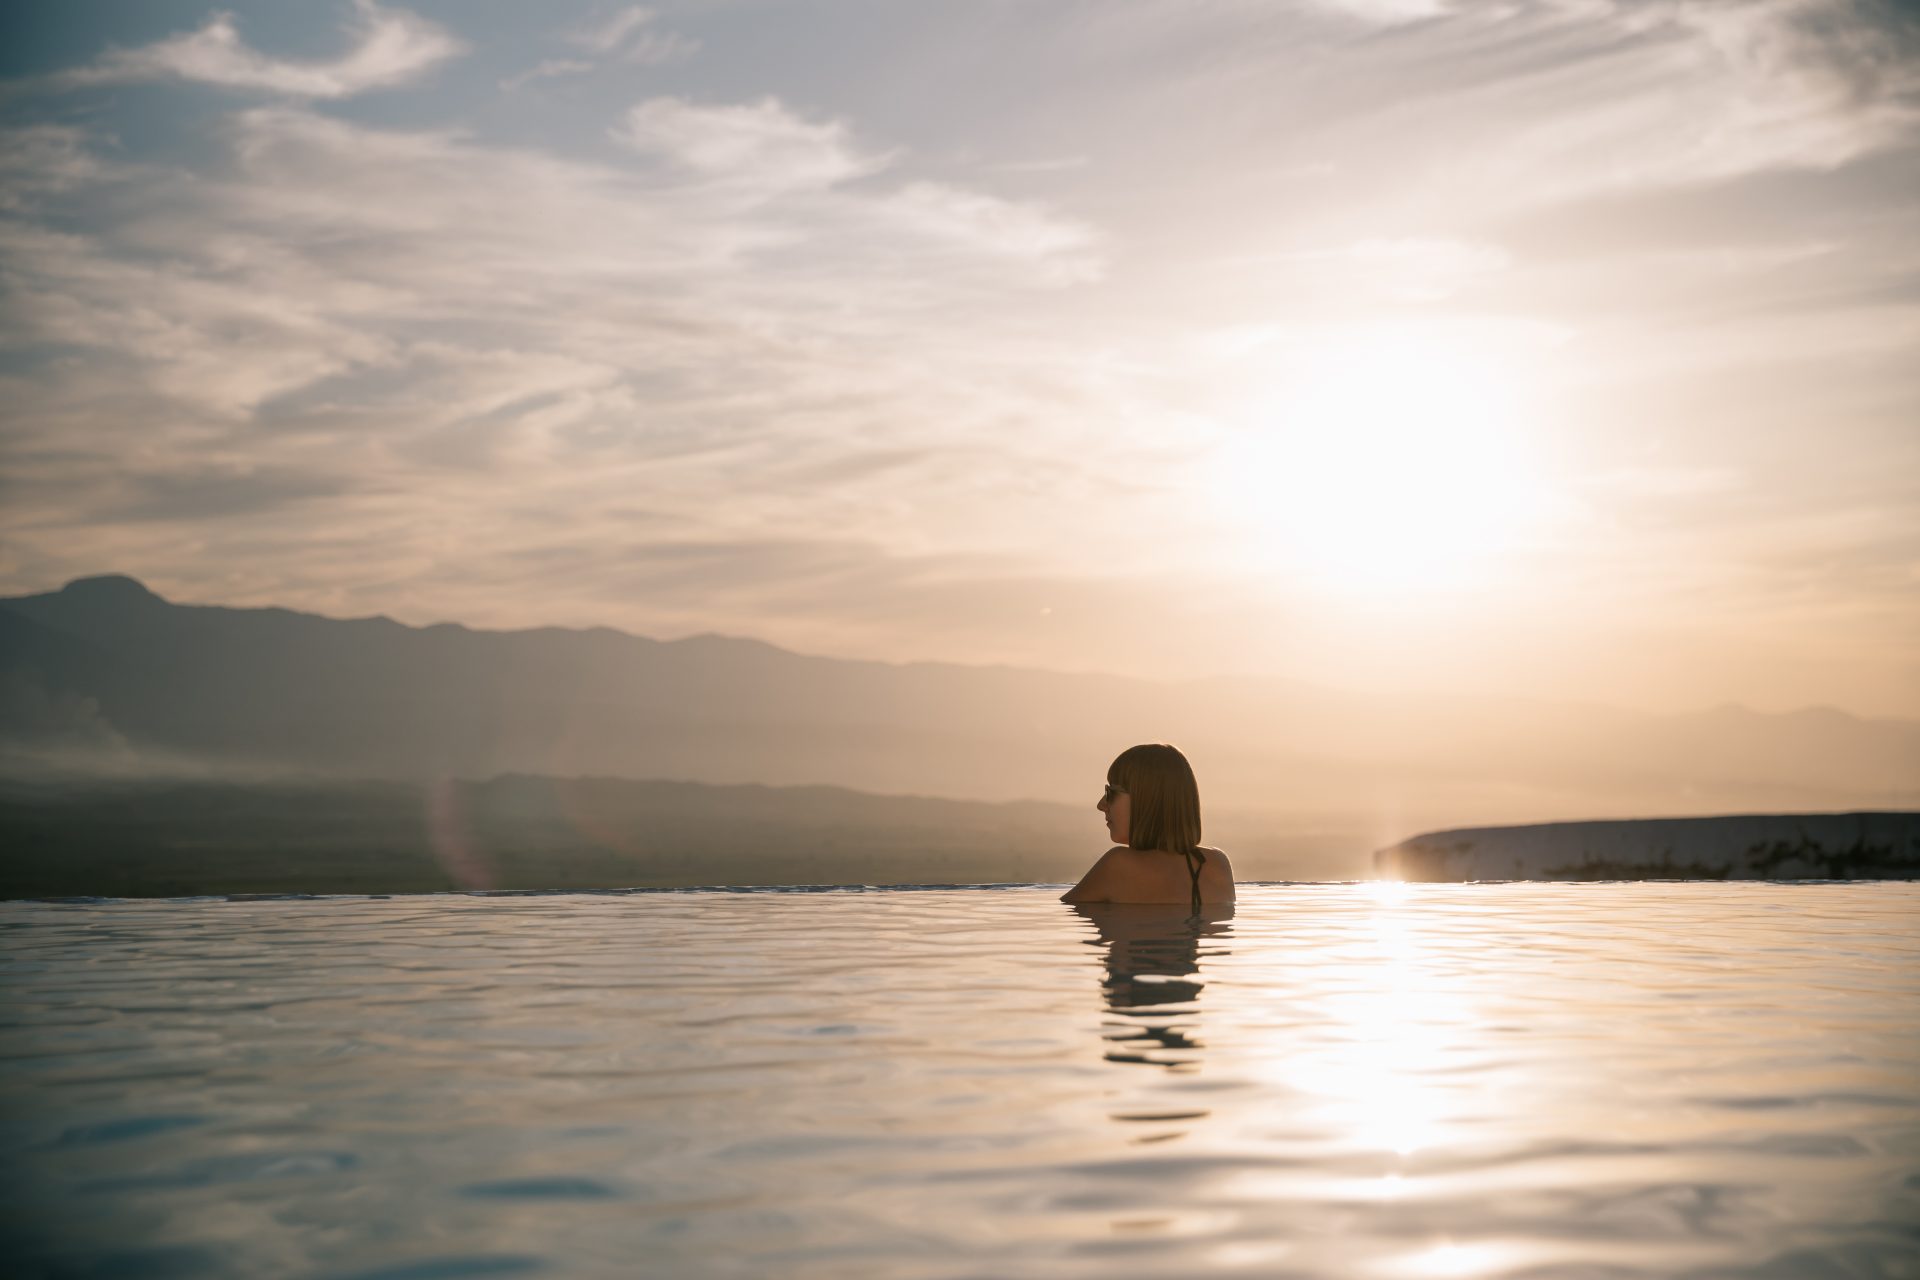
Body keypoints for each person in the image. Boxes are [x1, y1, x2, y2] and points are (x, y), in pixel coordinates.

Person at [1061, 744, 1235, 908]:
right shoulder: (1214, 865)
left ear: (1146, 800)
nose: (1101, 804)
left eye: (1111, 793)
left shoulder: (1117, 865)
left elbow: (1065, 921)